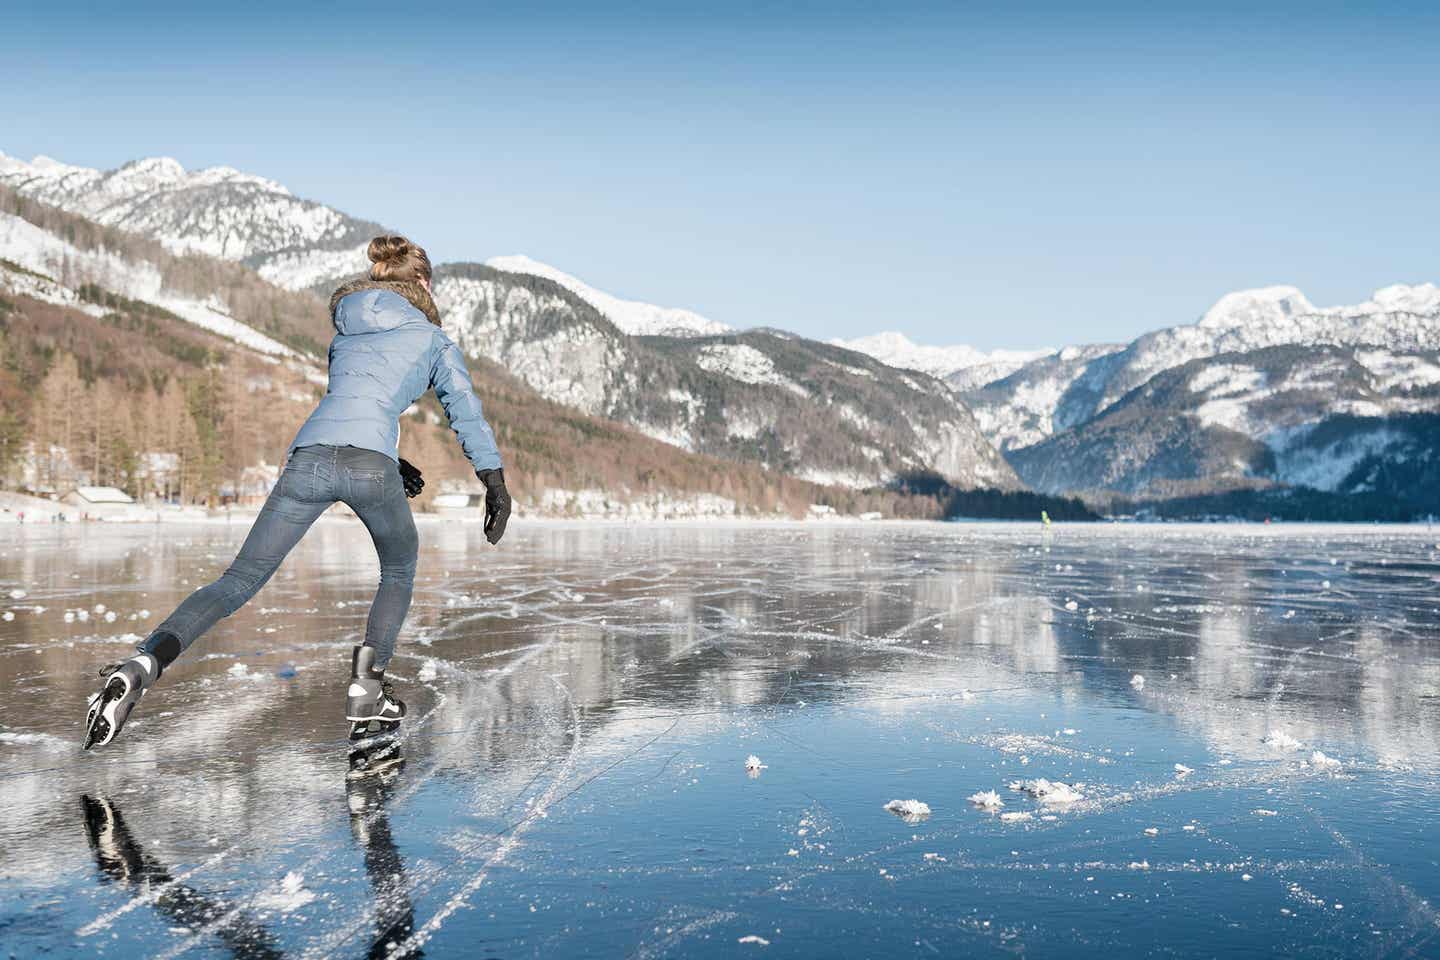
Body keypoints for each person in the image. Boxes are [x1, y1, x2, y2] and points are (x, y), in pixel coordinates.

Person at [83, 236, 512, 751]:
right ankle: (367, 689)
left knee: (238, 579)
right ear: (422, 282)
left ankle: (142, 664)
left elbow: (351, 399)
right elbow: (461, 407)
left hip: (309, 458)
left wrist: (392, 458)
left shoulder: (346, 329)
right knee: (398, 569)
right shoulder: (433, 339)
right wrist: (492, 479)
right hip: (368, 465)